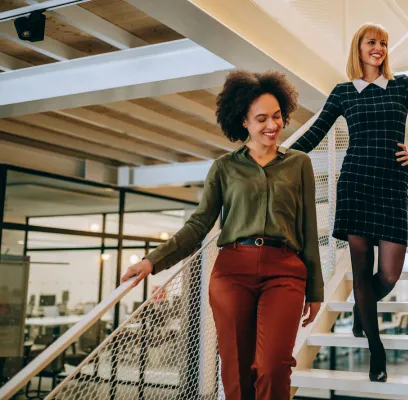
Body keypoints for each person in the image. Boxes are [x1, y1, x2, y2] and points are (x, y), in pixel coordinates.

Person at [121, 70, 324, 400]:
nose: (272, 125)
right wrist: (152, 261)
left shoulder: (299, 163)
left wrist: (315, 289)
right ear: (244, 120)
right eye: (261, 119)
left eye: (277, 116)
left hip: (285, 270)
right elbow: (199, 225)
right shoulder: (224, 168)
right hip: (232, 272)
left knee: (273, 366)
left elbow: (308, 229)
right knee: (236, 370)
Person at [291, 22, 408, 382]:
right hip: (355, 183)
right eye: (372, 42)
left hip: (391, 185)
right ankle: (377, 349)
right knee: (360, 271)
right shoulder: (343, 92)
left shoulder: (401, 86)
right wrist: (278, 156)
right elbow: (314, 132)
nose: (380, 48)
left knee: (387, 274)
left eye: (384, 43)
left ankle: (361, 306)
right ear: (358, 48)